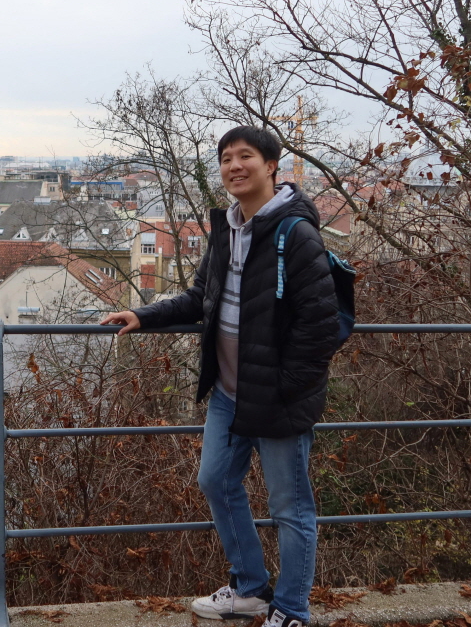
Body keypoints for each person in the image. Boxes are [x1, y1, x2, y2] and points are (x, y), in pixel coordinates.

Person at [101, 126, 339, 627]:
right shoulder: (227, 228)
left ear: (271, 166)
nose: (234, 166)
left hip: (277, 396)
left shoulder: (296, 234)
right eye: (226, 158)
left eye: (245, 156)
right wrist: (144, 315)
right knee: (215, 481)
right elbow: (200, 298)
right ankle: (250, 588)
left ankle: (292, 610)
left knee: (290, 507)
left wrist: (287, 388)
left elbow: (319, 326)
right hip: (230, 392)